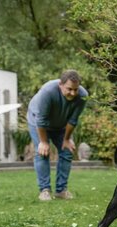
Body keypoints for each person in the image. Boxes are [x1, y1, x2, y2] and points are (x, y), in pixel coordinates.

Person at [27, 70, 88, 201]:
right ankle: (45, 190)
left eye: (75, 89)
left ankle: (61, 190)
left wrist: (66, 139)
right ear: (60, 84)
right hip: (38, 122)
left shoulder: (82, 95)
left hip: (60, 126)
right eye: (69, 89)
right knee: (42, 152)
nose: (73, 93)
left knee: (67, 151)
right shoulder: (48, 92)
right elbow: (41, 119)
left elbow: (73, 120)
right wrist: (43, 142)